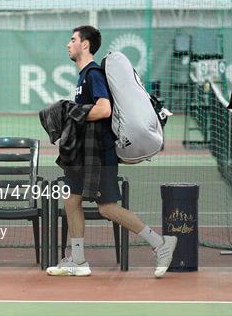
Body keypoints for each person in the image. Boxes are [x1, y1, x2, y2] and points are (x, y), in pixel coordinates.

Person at [46, 26, 177, 278]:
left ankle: (161, 244)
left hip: (100, 152)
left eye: (73, 40)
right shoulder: (83, 76)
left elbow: (104, 109)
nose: (68, 44)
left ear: (85, 45)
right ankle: (79, 260)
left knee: (106, 207)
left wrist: (72, 113)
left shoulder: (93, 74)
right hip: (85, 152)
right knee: (72, 200)